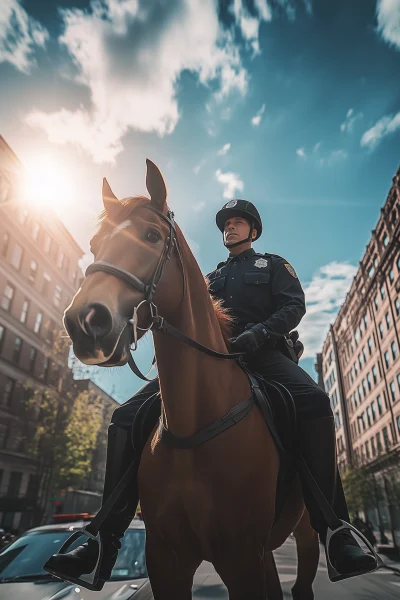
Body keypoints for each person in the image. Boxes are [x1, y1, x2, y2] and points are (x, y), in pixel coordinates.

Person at [45, 199, 377, 588]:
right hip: (209, 360)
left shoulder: (271, 265)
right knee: (124, 417)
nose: (230, 228)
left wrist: (261, 333)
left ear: (253, 230)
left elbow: (294, 305)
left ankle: (335, 528)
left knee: (315, 402)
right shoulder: (210, 277)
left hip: (264, 354)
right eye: (226, 224)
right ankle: (103, 537)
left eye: (238, 223)